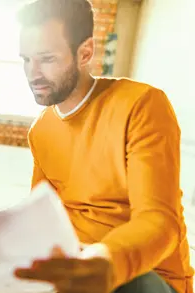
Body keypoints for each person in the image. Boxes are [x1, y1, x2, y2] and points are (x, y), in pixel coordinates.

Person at [13, 0, 194, 293]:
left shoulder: (141, 104)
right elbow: (41, 214)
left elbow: (159, 221)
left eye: (46, 58)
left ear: (85, 52)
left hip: (141, 273)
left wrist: (107, 261)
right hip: (76, 263)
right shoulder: (41, 130)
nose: (32, 73)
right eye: (25, 59)